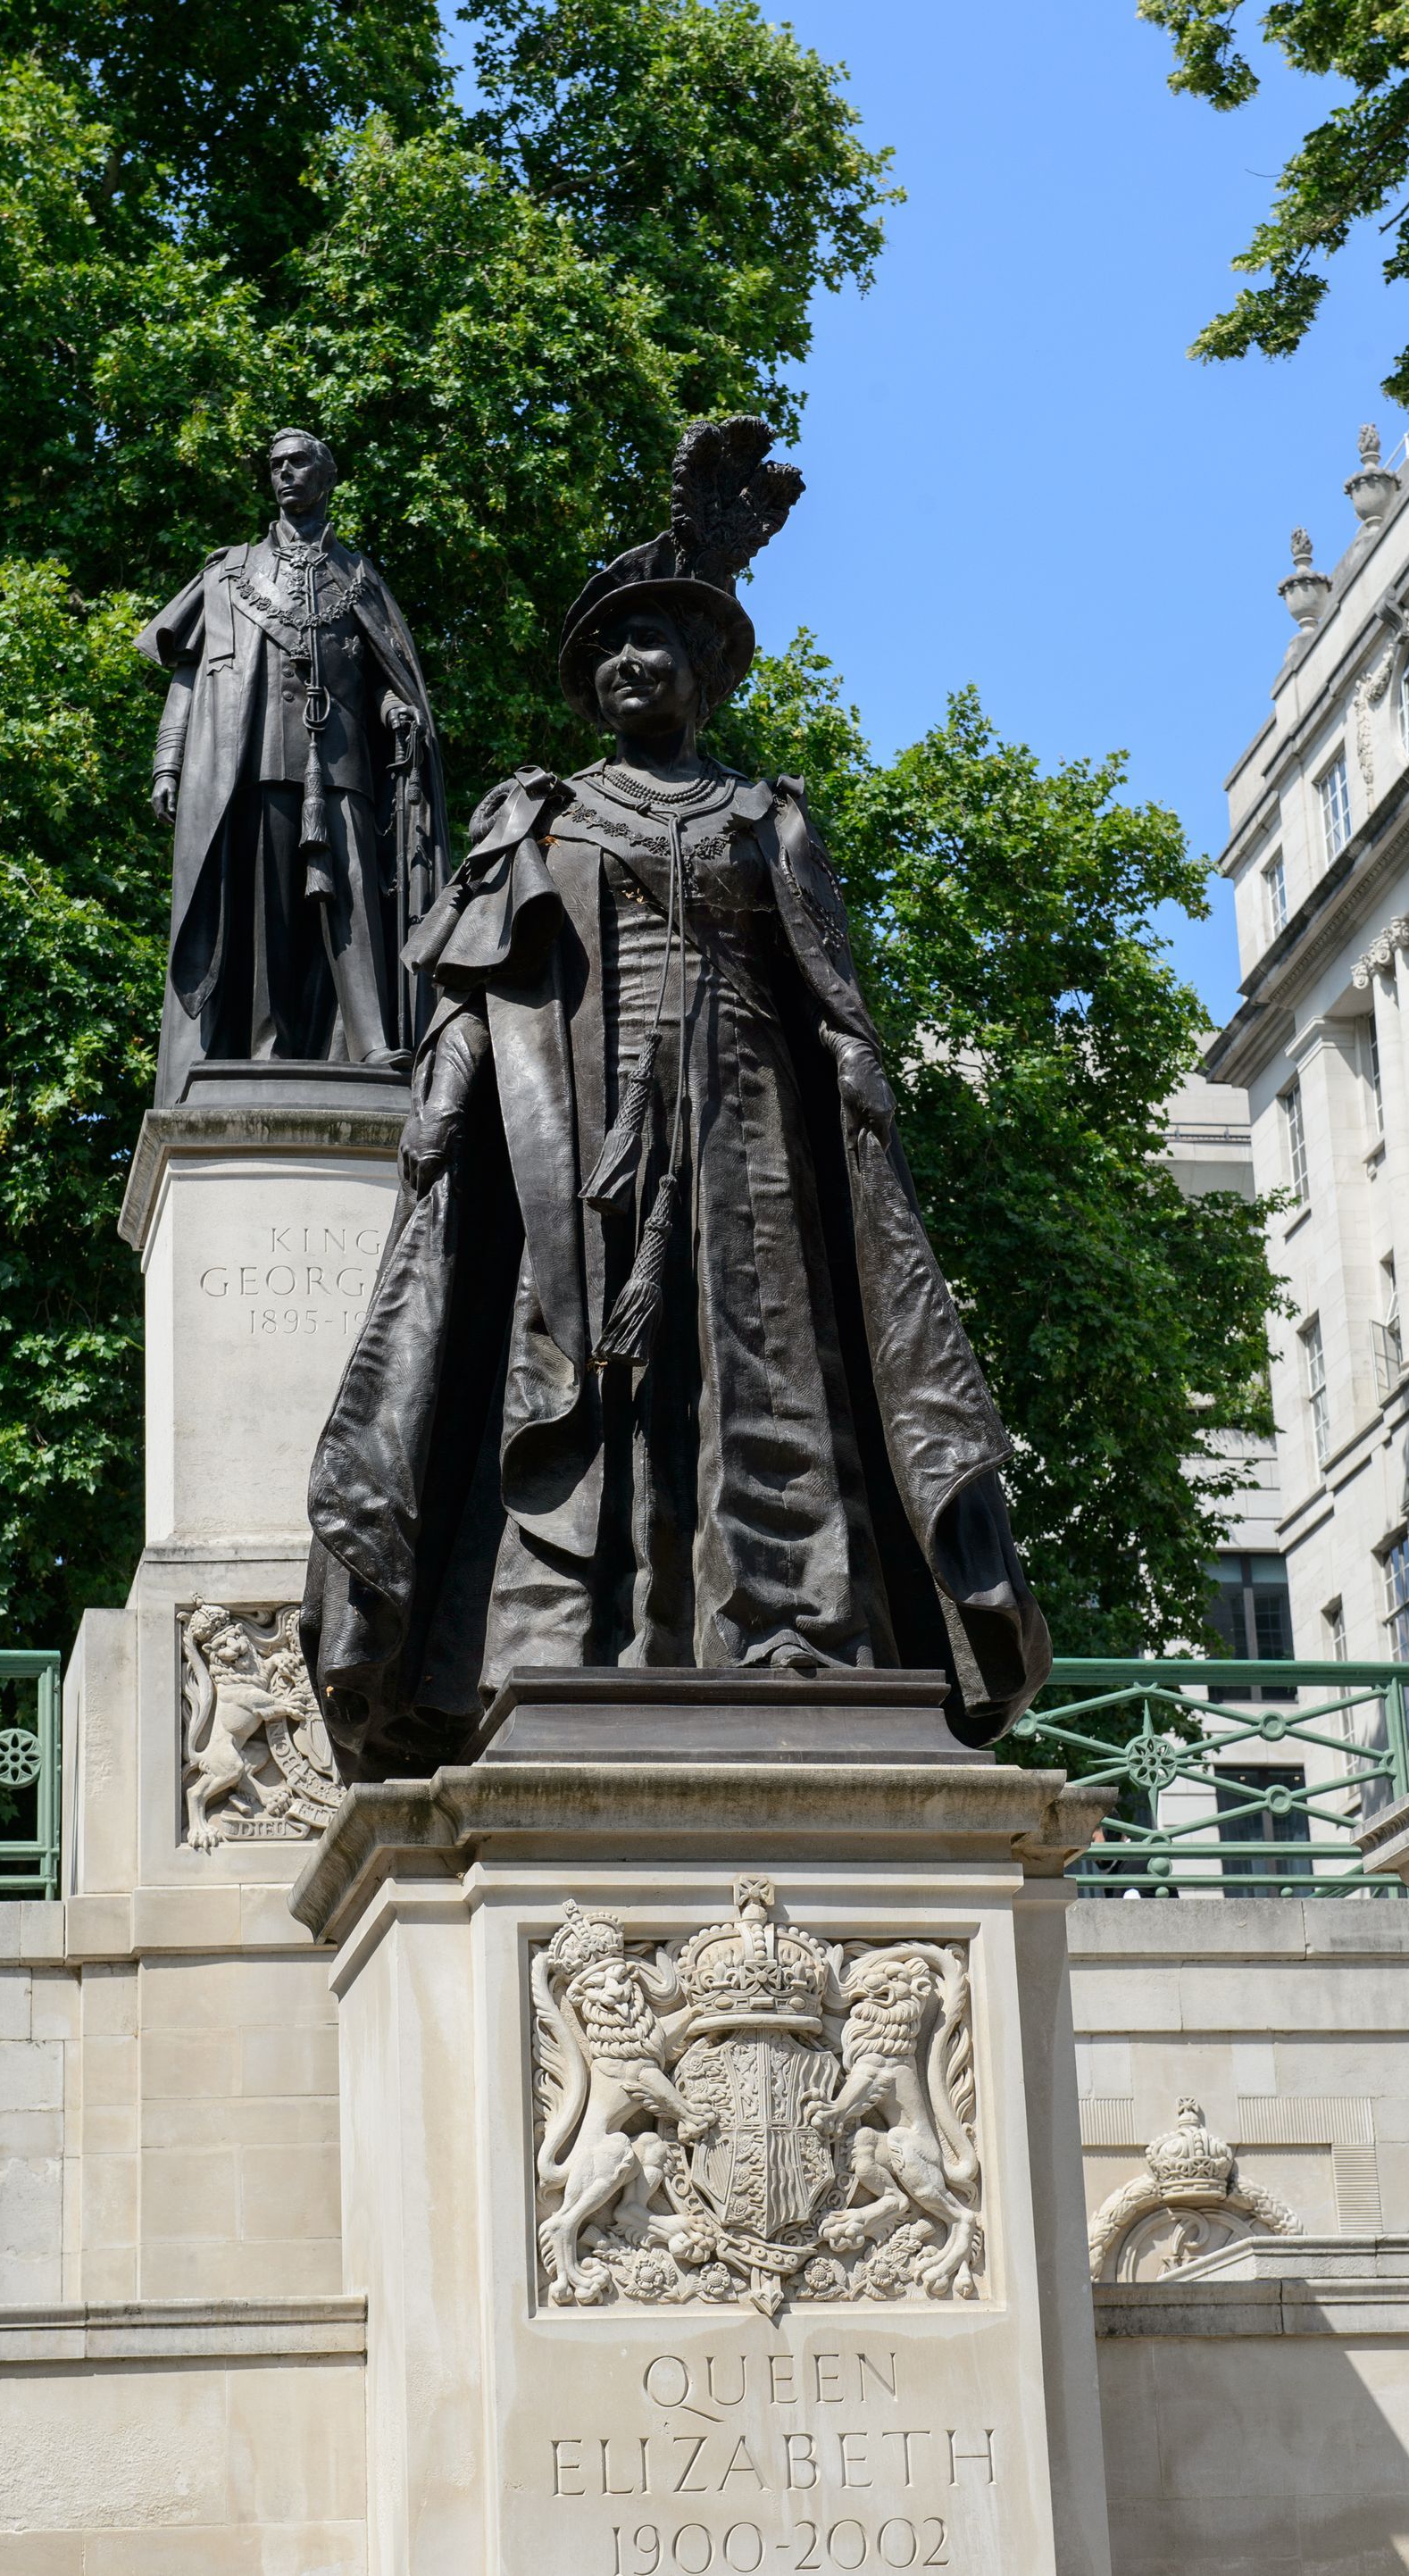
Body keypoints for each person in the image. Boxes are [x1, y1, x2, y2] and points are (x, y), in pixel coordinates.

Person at [301, 418, 1048, 1770]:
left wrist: (863, 1086)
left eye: (659, 642)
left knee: (768, 1372)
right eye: (611, 646)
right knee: (589, 1375)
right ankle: (573, 1644)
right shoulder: (545, 815)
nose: (630, 661)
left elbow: (831, 995)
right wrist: (439, 1102)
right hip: (581, 1140)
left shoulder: (771, 817)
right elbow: (478, 983)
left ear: (705, 673)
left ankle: (790, 1626)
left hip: (755, 1135)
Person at [138, 428, 448, 1104]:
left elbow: (385, 672)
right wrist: (168, 761)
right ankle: (266, 1045)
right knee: (266, 908)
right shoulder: (228, 572)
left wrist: (398, 708)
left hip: (344, 764)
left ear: (326, 475)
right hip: (253, 761)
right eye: (274, 464)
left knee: (356, 899)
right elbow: (187, 676)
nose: (283, 473)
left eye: (298, 461)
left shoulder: (359, 575)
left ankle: (370, 1040)